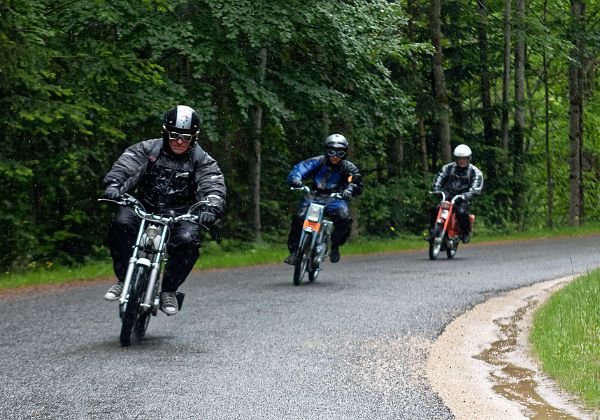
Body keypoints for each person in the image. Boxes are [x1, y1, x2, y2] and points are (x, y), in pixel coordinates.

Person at [102, 105, 226, 315]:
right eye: (175, 135)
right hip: (142, 205)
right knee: (121, 224)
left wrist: (211, 206)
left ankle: (168, 289)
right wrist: (114, 184)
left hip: (181, 212)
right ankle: (123, 279)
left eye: (186, 137)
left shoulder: (201, 160)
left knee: (188, 240)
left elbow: (213, 184)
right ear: (166, 132)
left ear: (194, 138)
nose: (179, 141)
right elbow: (127, 165)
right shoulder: (148, 149)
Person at [285, 134, 362, 264]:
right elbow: (300, 168)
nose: (335, 156)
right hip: (314, 196)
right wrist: (296, 179)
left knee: (343, 218)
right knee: (299, 217)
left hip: (336, 199)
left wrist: (349, 190)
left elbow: (355, 181)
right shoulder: (318, 161)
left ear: (345, 154)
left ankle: (335, 246)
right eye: (331, 152)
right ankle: (294, 251)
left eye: (340, 153)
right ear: (326, 151)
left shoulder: (349, 168)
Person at [429, 144, 483, 243]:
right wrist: (436, 187)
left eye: (464, 158)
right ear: (456, 158)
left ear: (469, 158)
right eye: (459, 158)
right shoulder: (448, 168)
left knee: (461, 212)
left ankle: (465, 232)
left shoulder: (475, 172)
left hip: (463, 197)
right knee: (436, 209)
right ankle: (433, 231)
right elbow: (440, 176)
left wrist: (469, 194)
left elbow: (476, 187)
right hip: (448, 194)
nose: (462, 161)